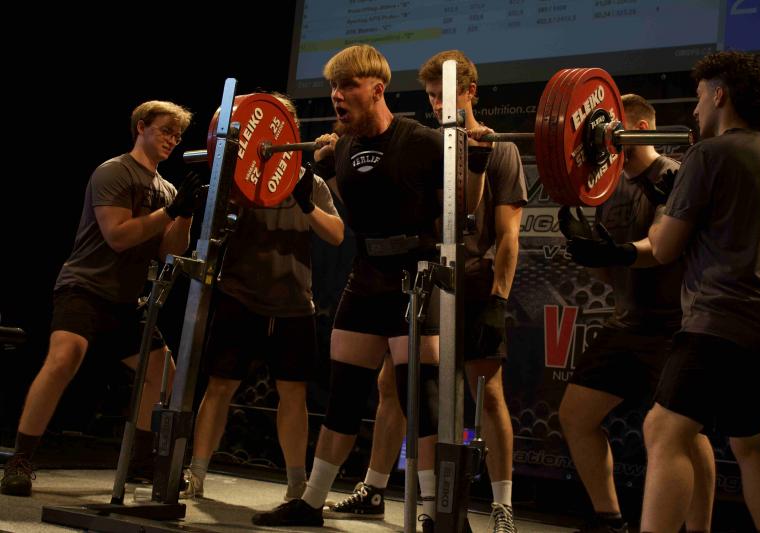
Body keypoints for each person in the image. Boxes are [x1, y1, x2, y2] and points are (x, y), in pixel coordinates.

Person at [250, 44, 490, 528]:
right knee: (342, 395)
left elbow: (462, 209)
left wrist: (477, 163)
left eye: (348, 86)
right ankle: (311, 502)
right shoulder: (343, 147)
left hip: (417, 277)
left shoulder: (422, 141)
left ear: (377, 89)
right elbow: (357, 208)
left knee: (421, 399)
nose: (336, 96)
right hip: (366, 277)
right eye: (333, 87)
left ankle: (434, 513)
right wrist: (320, 174)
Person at [324, 49, 527, 533]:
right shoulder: (428, 144)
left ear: (470, 92)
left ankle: (502, 506)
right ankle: (374, 488)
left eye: (446, 95)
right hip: (428, 281)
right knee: (393, 387)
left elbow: (507, 235)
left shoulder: (499, 149)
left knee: (487, 395)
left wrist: (499, 297)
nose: (438, 105)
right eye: (432, 96)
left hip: (474, 284)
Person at [1, 100, 202, 496]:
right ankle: (20, 461)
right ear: (141, 127)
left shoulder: (167, 190)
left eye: (177, 136)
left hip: (126, 302)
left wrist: (186, 214)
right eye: (165, 130)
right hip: (85, 289)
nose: (172, 140)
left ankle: (140, 465)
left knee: (162, 373)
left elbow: (170, 252)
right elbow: (118, 236)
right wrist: (169, 213)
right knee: (65, 357)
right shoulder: (114, 171)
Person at [640, 51, 760, 532]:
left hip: (721, 320)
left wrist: (647, 225)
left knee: (664, 429)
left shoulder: (708, 155)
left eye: (698, 98)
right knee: (751, 444)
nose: (694, 110)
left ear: (719, 95)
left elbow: (664, 248)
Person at [558, 94, 715, 533]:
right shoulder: (608, 187)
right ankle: (610, 521)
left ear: (641, 129)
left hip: (674, 327)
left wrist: (617, 253)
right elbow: (614, 272)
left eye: (611, 132)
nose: (600, 141)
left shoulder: (673, 177)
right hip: (627, 323)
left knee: (686, 433)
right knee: (575, 415)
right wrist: (592, 254)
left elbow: (660, 246)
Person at [179, 93, 344, 501]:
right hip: (240, 296)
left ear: (291, 132)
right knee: (220, 387)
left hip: (294, 304)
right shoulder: (239, 178)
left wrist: (307, 205)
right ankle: (195, 475)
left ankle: (296, 486)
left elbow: (337, 235)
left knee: (294, 394)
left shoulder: (311, 183)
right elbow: (213, 226)